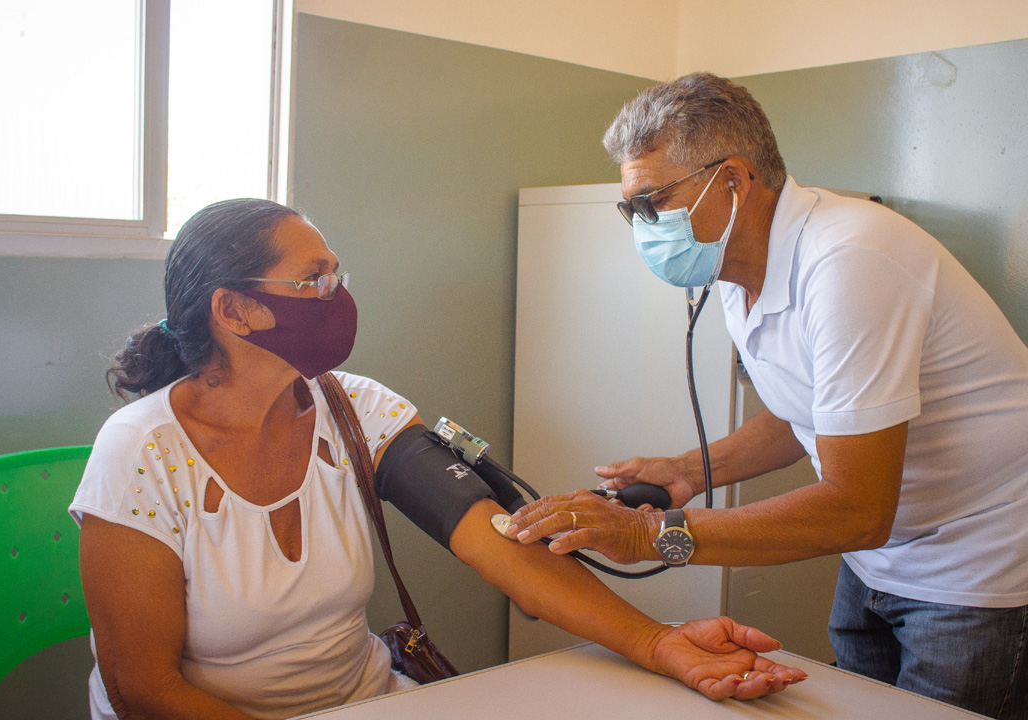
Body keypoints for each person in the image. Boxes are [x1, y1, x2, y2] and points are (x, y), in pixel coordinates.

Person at [69, 198, 805, 720]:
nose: (337, 296)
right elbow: (142, 691)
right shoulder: (142, 453)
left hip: (365, 702)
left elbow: (500, 545)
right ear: (233, 310)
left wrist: (660, 643)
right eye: (314, 280)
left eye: (338, 275)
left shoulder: (355, 411)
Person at [506, 73, 1028, 720]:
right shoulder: (734, 268)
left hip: (977, 564)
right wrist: (690, 471)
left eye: (653, 202)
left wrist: (647, 535)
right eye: (631, 210)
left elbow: (858, 509)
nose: (642, 225)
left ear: (733, 180)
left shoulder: (849, 258)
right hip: (877, 561)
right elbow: (810, 409)